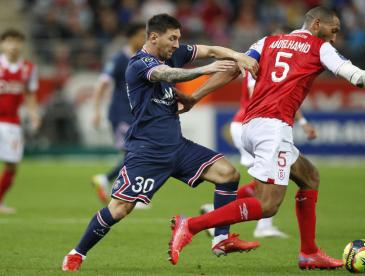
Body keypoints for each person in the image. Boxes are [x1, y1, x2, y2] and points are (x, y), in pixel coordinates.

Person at [168, 6, 365, 270]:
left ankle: (309, 252)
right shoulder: (320, 47)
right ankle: (190, 225)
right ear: (317, 24)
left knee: (309, 176)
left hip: (252, 124)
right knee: (268, 205)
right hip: (273, 129)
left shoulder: (268, 41)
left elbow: (233, 69)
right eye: (334, 30)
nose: (334, 37)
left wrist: (195, 96)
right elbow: (358, 77)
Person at [61, 13, 260, 271]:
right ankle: (77, 253)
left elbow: (210, 48)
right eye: (173, 38)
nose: (177, 44)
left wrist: (237, 56)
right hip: (147, 151)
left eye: (178, 38)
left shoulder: (172, 52)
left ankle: (221, 239)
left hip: (177, 147)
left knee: (228, 174)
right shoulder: (139, 63)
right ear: (154, 37)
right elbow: (168, 75)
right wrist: (206, 70)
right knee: (119, 209)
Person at [200, 70, 317, 239]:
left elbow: (286, 99)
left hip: (255, 125)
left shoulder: (272, 59)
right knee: (270, 179)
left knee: (269, 179)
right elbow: (257, 94)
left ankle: (217, 210)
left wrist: (303, 122)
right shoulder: (260, 62)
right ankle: (241, 221)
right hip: (254, 126)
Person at [91, 23, 146, 206]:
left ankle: (107, 180)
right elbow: (102, 83)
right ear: (131, 37)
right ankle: (128, 195)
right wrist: (96, 110)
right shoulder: (119, 59)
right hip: (121, 114)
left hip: (135, 115)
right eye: (140, 35)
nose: (143, 40)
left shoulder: (142, 58)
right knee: (134, 153)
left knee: (137, 153)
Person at [0, 29, 41, 214]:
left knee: (12, 165)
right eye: (9, 41)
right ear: (2, 44)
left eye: (17, 41)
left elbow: (30, 95)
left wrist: (34, 114)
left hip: (12, 122)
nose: (13, 45)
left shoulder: (28, 68)